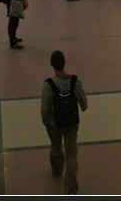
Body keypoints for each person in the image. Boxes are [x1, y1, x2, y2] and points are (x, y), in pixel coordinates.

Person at [41, 50, 88, 194]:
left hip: (55, 125)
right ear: (64, 63)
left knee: (56, 147)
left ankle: (57, 169)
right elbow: (84, 104)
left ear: (52, 65)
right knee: (72, 153)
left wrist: (47, 122)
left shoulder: (49, 85)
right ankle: (70, 188)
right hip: (72, 124)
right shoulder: (75, 81)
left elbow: (45, 111)